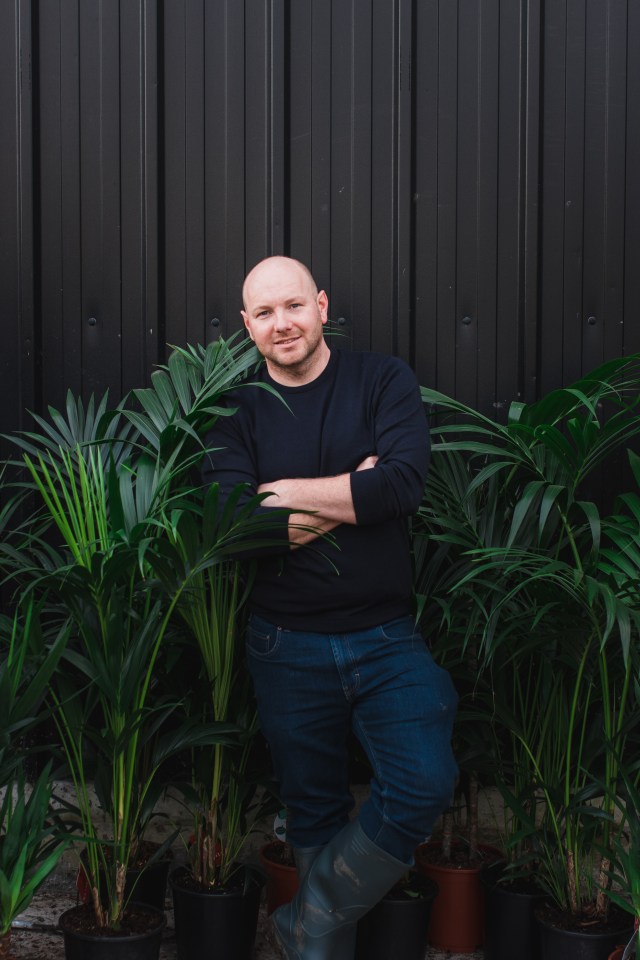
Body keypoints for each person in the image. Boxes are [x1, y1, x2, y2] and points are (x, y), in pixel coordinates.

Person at [202, 256, 458, 959]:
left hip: (386, 638)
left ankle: (301, 926)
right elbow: (236, 528)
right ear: (248, 328)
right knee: (311, 812)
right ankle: (322, 949)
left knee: (424, 781)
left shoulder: (382, 380)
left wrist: (282, 493)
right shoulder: (236, 411)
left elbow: (402, 486)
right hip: (285, 646)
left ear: (321, 305)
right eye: (263, 313)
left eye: (292, 306)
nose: (281, 323)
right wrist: (352, 490)